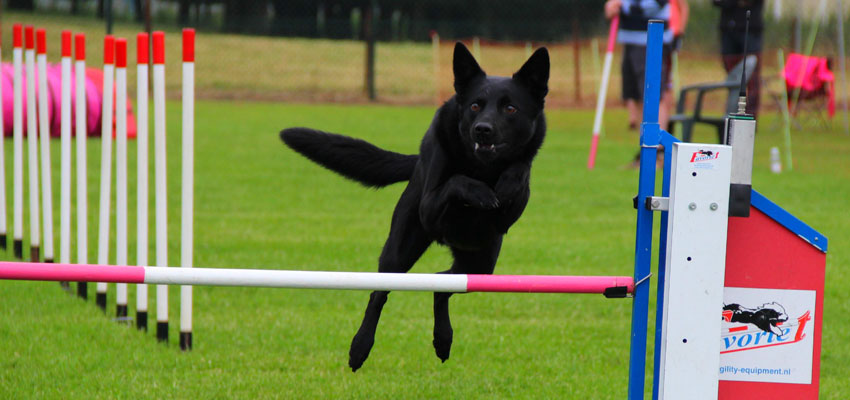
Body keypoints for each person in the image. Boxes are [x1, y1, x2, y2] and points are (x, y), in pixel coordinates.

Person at [604, 0, 681, 167]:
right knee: (636, 96)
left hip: (652, 41)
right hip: (629, 41)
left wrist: (623, 6)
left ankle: (658, 152)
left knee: (654, 95)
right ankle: (646, 150)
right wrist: (611, 6)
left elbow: (653, 5)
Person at [713, 0, 764, 116]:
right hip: (727, 30)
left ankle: (750, 119)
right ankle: (731, 115)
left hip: (750, 29)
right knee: (733, 78)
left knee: (752, 80)